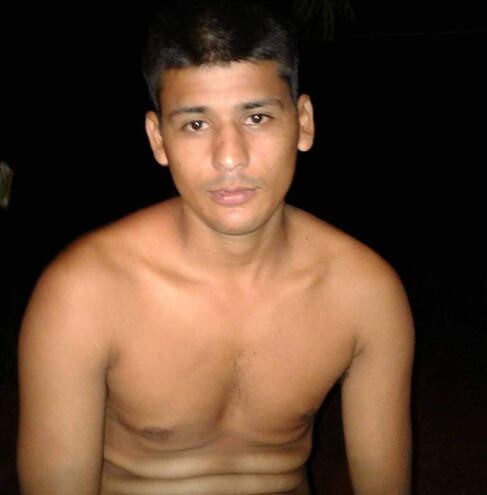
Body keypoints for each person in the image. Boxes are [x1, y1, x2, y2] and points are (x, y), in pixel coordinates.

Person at [17, 1, 415, 493]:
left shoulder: (363, 292)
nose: (229, 157)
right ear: (158, 139)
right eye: (196, 124)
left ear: (303, 122)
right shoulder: (84, 293)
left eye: (256, 117)